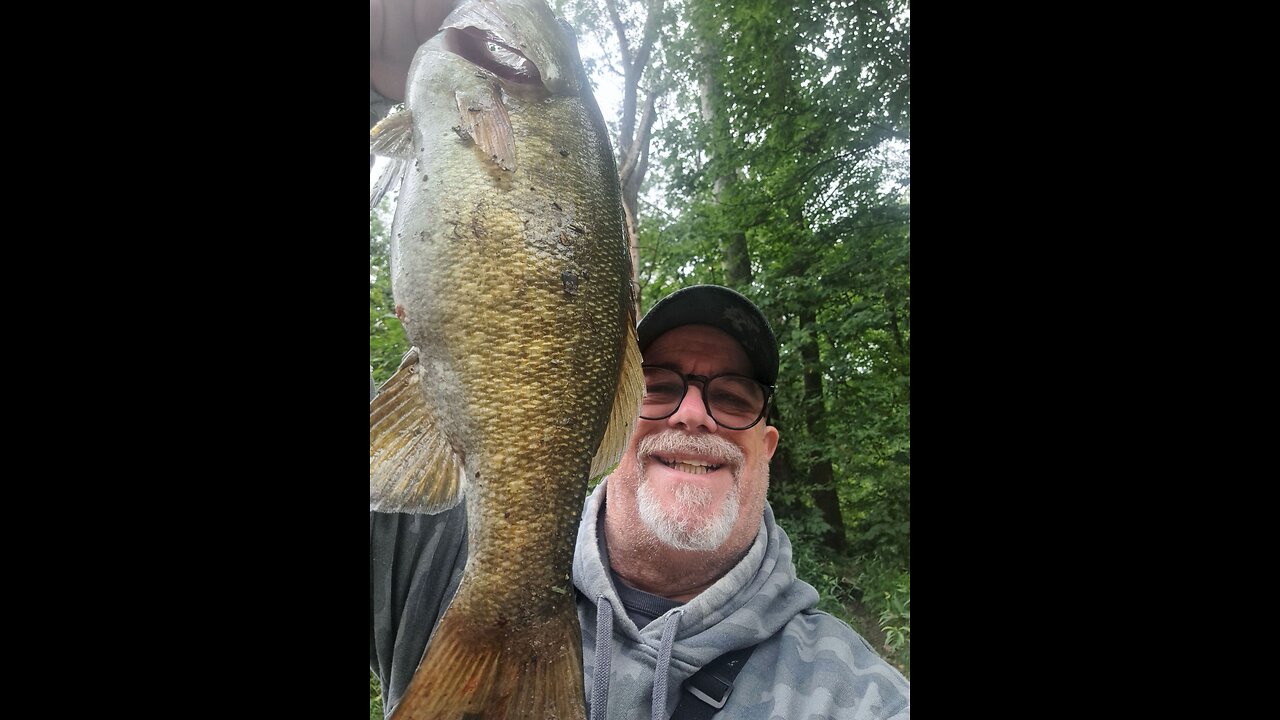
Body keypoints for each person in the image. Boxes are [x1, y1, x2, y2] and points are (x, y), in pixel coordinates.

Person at [371, 284, 911, 719]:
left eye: (731, 396)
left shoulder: (861, 699)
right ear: (611, 419)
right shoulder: (435, 556)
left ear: (765, 449)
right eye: (659, 386)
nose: (694, 414)